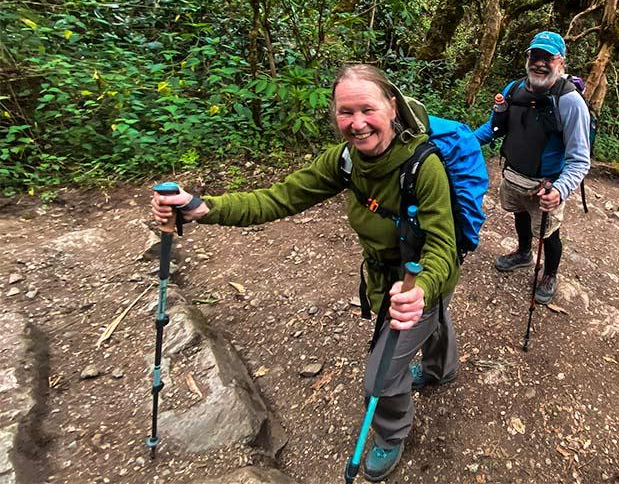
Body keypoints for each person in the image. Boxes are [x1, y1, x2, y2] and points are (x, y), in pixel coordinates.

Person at [150, 65, 459, 482]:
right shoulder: (346, 161)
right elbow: (280, 198)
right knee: (432, 316)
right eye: (345, 112)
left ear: (391, 107)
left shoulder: (424, 167)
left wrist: (421, 288)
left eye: (367, 109)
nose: (357, 123)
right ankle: (442, 369)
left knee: (380, 379)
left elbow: (443, 245)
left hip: (417, 279)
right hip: (388, 278)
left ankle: (391, 434)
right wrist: (206, 208)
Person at [473, 31, 591, 304]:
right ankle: (524, 253)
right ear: (527, 58)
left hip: (546, 184)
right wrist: (464, 142)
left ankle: (550, 273)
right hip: (514, 175)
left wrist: (560, 190)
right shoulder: (513, 89)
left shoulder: (570, 102)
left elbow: (580, 159)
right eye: (535, 56)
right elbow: (494, 127)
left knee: (549, 233)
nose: (539, 63)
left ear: (561, 62)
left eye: (547, 58)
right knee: (520, 215)